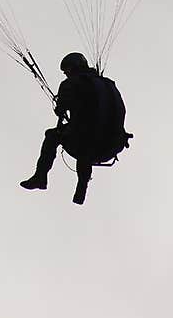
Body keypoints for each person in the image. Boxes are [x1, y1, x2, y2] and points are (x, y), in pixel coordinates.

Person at [20, 53, 131, 205]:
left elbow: (61, 110)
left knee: (53, 136)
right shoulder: (109, 84)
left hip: (88, 143)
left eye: (66, 72)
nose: (66, 75)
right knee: (86, 138)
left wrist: (61, 109)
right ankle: (82, 186)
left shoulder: (71, 83)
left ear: (72, 69)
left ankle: (41, 176)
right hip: (112, 146)